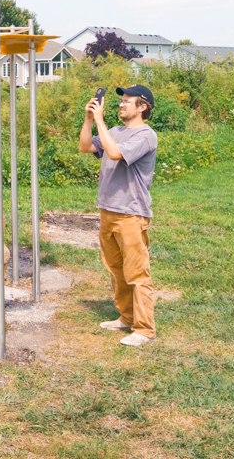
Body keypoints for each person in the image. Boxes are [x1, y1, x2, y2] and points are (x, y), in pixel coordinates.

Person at [79, 84, 158, 347]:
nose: (121, 104)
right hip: (108, 211)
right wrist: (90, 119)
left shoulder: (146, 136)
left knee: (137, 274)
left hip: (131, 214)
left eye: (127, 101)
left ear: (142, 107)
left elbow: (115, 153)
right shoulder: (115, 131)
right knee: (116, 269)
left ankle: (145, 330)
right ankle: (126, 317)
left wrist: (100, 120)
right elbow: (85, 146)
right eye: (121, 100)